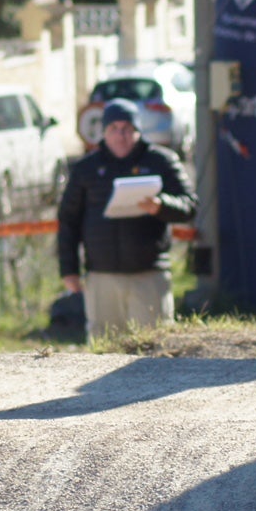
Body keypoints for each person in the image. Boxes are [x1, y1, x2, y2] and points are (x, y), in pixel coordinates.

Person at [56, 99, 197, 338]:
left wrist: (161, 206)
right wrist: (69, 270)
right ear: (103, 133)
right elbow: (68, 221)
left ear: (138, 131)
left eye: (127, 129)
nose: (121, 136)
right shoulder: (86, 169)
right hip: (102, 276)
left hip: (149, 274)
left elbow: (190, 205)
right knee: (105, 347)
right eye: (114, 129)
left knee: (154, 349)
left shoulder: (161, 161)